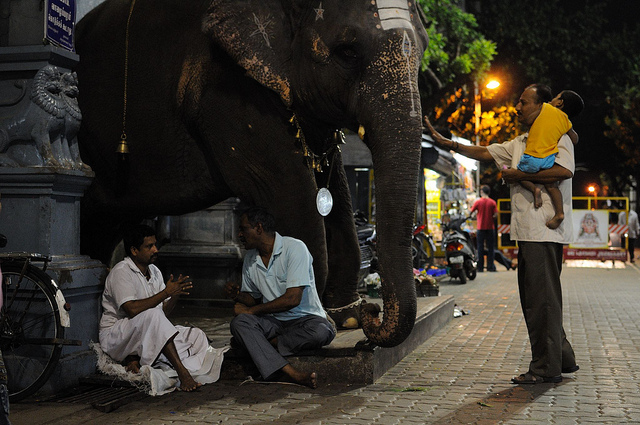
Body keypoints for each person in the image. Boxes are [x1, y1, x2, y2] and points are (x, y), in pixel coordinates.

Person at [424, 83, 579, 384]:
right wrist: (449, 144)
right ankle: (562, 358)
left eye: (524, 102)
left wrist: (520, 174)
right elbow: (485, 151)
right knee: (538, 300)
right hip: (529, 232)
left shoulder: (558, 135)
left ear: (543, 106)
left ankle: (545, 369)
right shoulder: (521, 141)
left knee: (542, 302)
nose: (517, 107)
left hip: (544, 231)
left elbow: (565, 171)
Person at [226, 206, 336, 389]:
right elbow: (253, 298)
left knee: (322, 332)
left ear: (258, 228)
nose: (239, 235)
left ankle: (262, 345)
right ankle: (291, 373)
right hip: (273, 322)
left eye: (243, 229)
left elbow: (292, 299)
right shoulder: (250, 258)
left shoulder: (294, 248)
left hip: (305, 320)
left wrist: (251, 310)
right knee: (240, 323)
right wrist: (237, 296)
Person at [99, 224, 205, 392]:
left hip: (145, 332)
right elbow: (131, 310)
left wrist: (174, 294)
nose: (156, 250)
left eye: (155, 245)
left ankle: (151, 362)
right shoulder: (121, 272)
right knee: (153, 315)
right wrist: (165, 293)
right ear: (134, 250)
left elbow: (163, 314)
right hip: (118, 335)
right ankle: (182, 373)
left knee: (196, 336)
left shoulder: (154, 271)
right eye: (149, 246)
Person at [517, 90, 584, 229]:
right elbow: (575, 138)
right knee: (552, 186)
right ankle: (559, 213)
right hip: (548, 158)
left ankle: (534, 190)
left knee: (519, 175)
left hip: (533, 155)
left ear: (560, 103)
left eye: (556, 97)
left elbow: (529, 117)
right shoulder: (566, 122)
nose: (551, 99)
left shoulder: (546, 108)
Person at [471, 185, 498, 272]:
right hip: (490, 227)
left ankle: (480, 268)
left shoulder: (478, 202)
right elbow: (496, 214)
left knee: (480, 248)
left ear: (482, 192)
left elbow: (471, 211)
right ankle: (490, 267)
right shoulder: (492, 202)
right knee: (491, 248)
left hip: (480, 227)